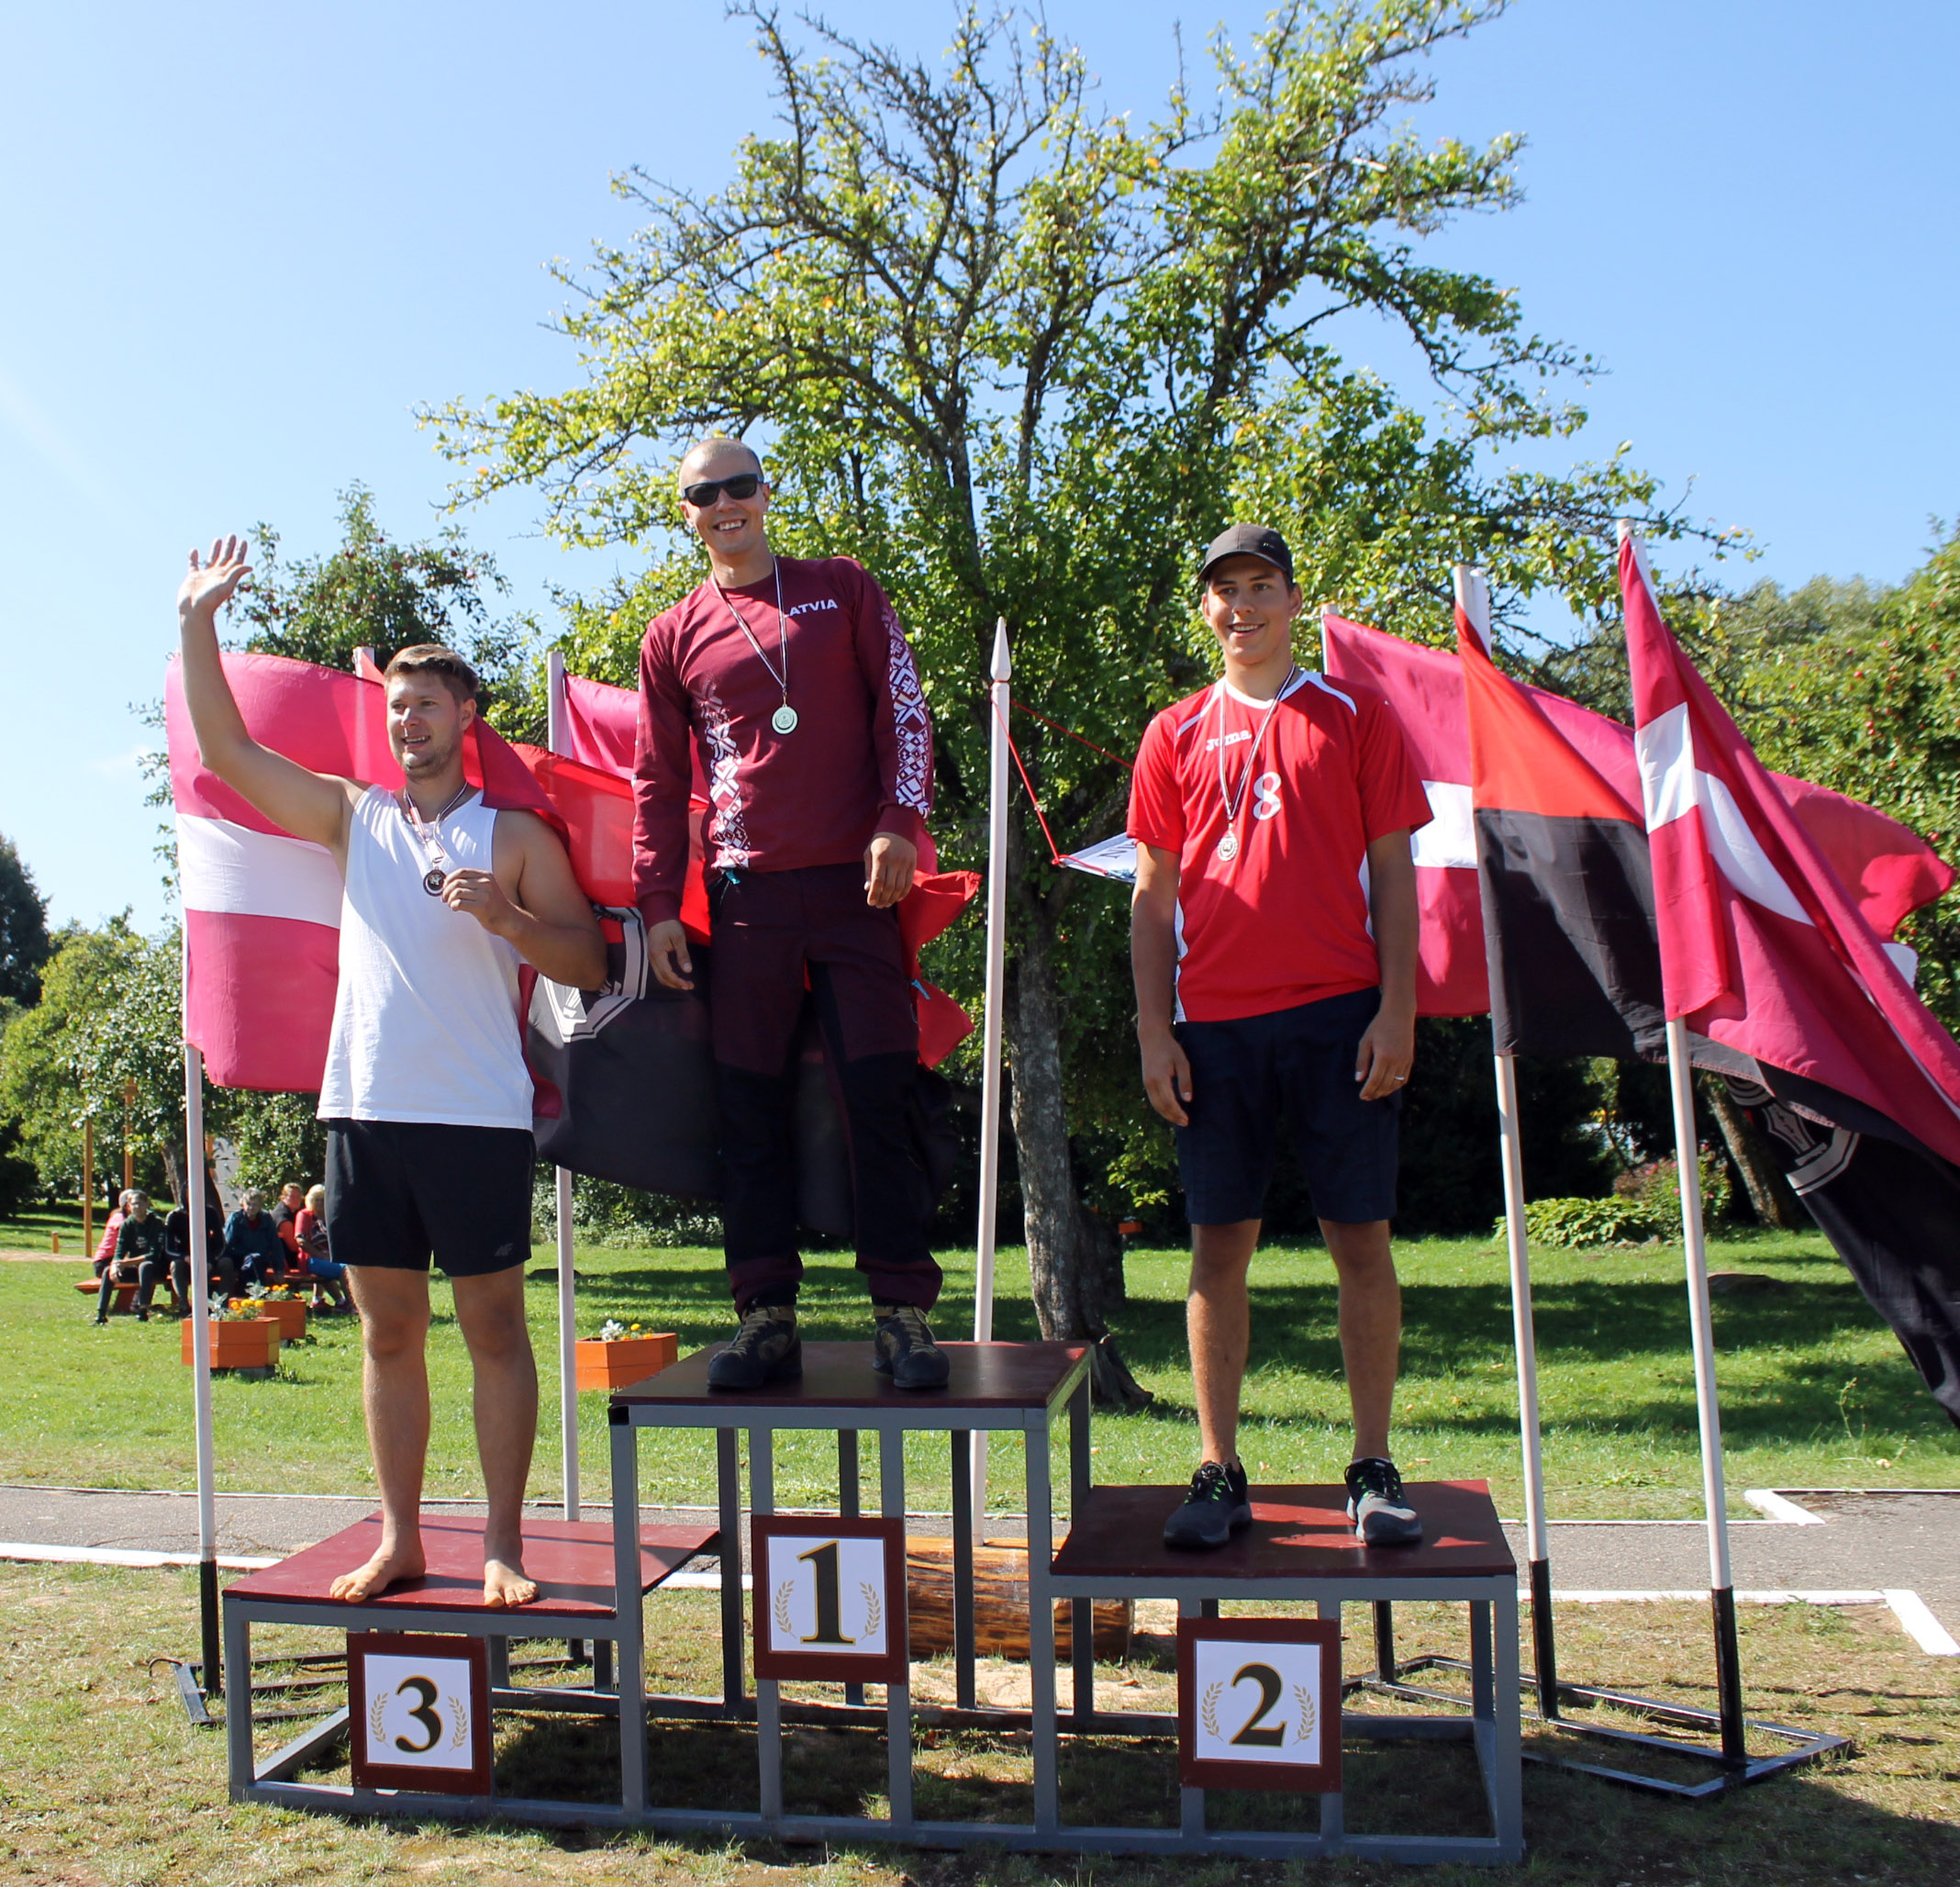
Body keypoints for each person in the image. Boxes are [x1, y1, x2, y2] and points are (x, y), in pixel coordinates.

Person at [177, 535, 606, 1608]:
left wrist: (509, 918)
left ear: (466, 718)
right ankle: (403, 1538)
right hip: (364, 1111)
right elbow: (225, 752)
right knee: (387, 1332)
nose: (408, 721)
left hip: (478, 1117)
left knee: (494, 1332)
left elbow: (588, 962)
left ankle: (503, 1543)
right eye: (397, 707)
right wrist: (197, 624)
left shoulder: (512, 833)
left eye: (427, 706)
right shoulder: (350, 814)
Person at [1128, 525, 1432, 1551]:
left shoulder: (1355, 714)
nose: (1243, 606)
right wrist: (1154, 1030)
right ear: (1205, 609)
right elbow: (1151, 894)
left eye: (1262, 585)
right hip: (1214, 1024)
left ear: (1294, 600)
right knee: (1218, 1247)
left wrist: (1398, 1007)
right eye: (1226, 590)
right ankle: (1218, 1467)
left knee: (1360, 1240)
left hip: (1340, 1015)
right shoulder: (1174, 730)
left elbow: (1394, 870)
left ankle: (1373, 1465)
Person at [633, 438, 945, 1391]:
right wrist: (657, 904)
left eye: (739, 485)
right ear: (686, 512)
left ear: (765, 494)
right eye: (704, 493)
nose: (724, 503)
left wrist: (899, 822)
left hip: (858, 885)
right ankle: (765, 1312)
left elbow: (904, 711)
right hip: (746, 895)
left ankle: (901, 1314)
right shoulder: (672, 633)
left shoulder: (841, 586)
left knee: (879, 1094)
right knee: (748, 1107)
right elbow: (658, 780)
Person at [95, 1190, 167, 1323]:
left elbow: (153, 1254)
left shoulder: (156, 1223)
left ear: (147, 1205)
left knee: (145, 1266)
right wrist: (115, 1265)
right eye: (134, 1204)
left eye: (140, 1204)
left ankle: (142, 1310)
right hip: (134, 1267)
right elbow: (120, 1250)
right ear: (129, 1206)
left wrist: (126, 1263)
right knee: (107, 1271)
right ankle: (101, 1314)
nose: (137, 1207)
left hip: (156, 1268)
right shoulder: (127, 1224)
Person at [161, 1191, 228, 1310]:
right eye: (189, 1193)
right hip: (185, 1261)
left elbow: (221, 1244)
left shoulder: (211, 1213)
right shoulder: (175, 1216)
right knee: (176, 1265)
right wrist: (185, 1258)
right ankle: (184, 1306)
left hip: (209, 1259)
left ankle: (223, 1305)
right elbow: (168, 1249)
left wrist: (210, 1261)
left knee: (227, 1263)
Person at [295, 1183, 352, 1312]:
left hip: (331, 1257)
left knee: (350, 1265)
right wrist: (320, 1255)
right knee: (344, 1269)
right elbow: (301, 1240)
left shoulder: (329, 1215)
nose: (320, 1203)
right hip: (311, 1259)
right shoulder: (304, 1215)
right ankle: (351, 1305)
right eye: (317, 1200)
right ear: (311, 1200)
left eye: (322, 1199)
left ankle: (341, 1303)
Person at [223, 1189, 286, 1289]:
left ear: (260, 1205)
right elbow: (228, 1244)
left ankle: (255, 1291)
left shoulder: (266, 1219)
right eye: (249, 1204)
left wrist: (279, 1269)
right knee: (251, 1262)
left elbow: (275, 1245)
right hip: (239, 1259)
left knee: (256, 1260)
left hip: (261, 1259)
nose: (251, 1207)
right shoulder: (235, 1219)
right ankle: (255, 1291)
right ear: (243, 1203)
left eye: (255, 1205)